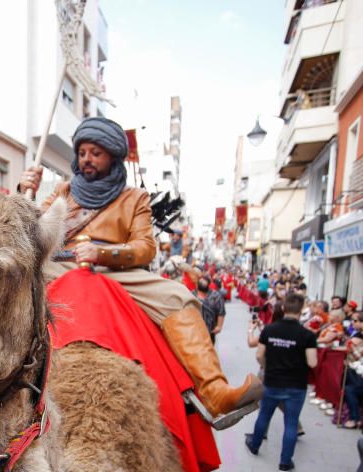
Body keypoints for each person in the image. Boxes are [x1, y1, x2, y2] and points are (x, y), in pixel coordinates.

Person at [19, 117, 261, 428]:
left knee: (177, 295)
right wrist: (25, 193)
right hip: (60, 263)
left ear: (112, 156)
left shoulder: (134, 197)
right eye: (82, 153)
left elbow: (146, 247)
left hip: (114, 268)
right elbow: (33, 232)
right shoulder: (64, 190)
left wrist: (102, 252)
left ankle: (213, 390)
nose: (86, 159)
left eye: (95, 153)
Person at [244, 293, 317, 472]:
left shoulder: (270, 330)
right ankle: (285, 462)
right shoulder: (307, 335)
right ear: (301, 311)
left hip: (272, 381)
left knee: (264, 415)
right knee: (291, 423)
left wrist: (268, 368)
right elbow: (313, 363)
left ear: (283, 308)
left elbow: (259, 355)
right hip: (296, 385)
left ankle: (255, 445)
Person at [196, 277, 225, 342]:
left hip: (210, 331)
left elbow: (221, 311)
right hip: (195, 330)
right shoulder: (192, 294)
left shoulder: (215, 296)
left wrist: (219, 326)